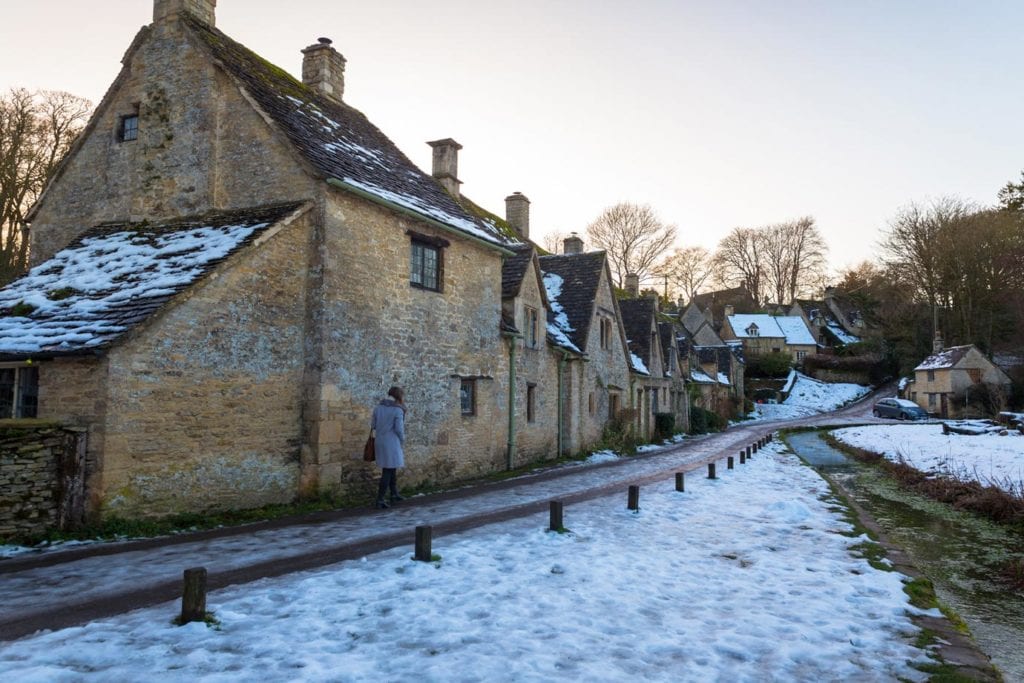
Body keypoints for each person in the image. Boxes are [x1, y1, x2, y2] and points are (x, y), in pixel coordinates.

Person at [371, 386, 406, 508]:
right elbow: (399, 429)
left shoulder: (378, 408)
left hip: (380, 441)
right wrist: (402, 439)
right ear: (398, 397)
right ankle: (380, 499)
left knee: (391, 468)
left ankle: (394, 493)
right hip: (391, 442)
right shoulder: (397, 410)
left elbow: (373, 425)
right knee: (388, 470)